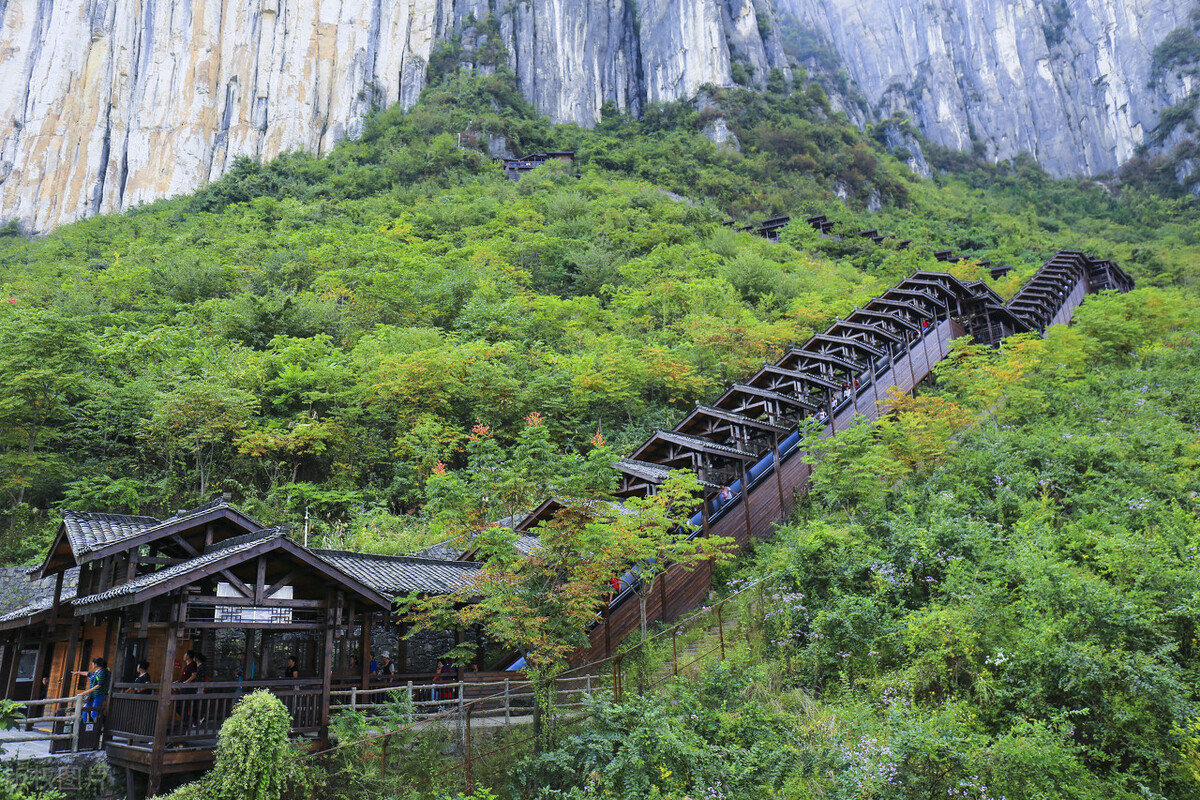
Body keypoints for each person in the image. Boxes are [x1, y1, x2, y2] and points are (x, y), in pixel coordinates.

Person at [72, 657, 110, 722]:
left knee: (94, 713)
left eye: (92, 663)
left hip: (99, 694)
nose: (92, 664)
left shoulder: (103, 672)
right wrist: (78, 672)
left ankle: (96, 728)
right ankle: (84, 726)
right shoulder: (97, 672)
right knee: (84, 709)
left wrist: (86, 692)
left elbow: (99, 685)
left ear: (96, 664)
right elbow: (88, 674)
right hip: (92, 695)